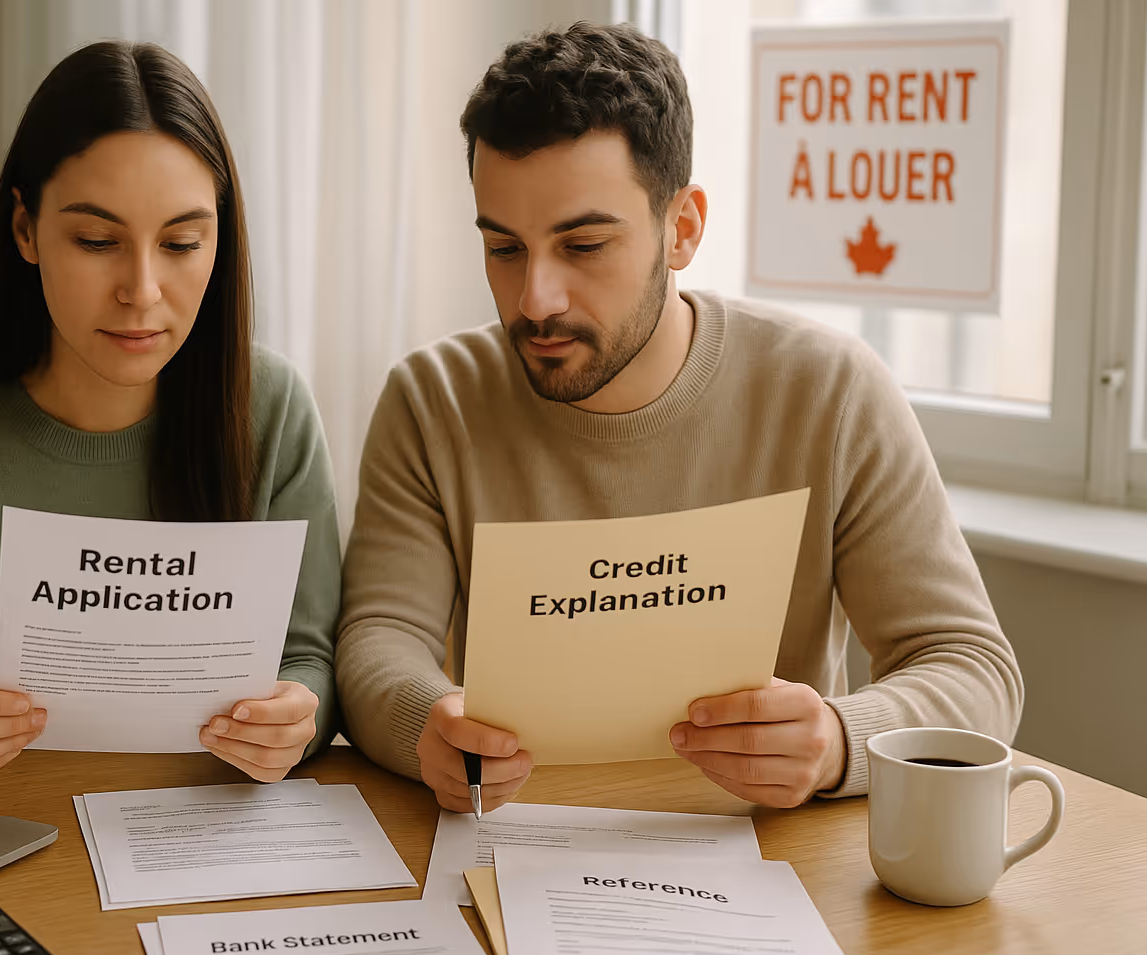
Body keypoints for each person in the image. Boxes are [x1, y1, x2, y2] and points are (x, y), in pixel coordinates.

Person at [336, 23, 1021, 811]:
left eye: (584, 244)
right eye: (505, 249)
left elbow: (974, 668)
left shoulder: (829, 391)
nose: (535, 300)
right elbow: (376, 642)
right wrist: (429, 721)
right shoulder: (433, 400)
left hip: (771, 863)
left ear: (682, 229)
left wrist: (838, 741)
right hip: (514, 844)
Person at [0, 41, 340, 786]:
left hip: (203, 843)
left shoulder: (271, 409)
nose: (143, 289)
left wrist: (296, 717)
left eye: (183, 242)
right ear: (24, 229)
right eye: (96, 241)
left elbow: (312, 660)